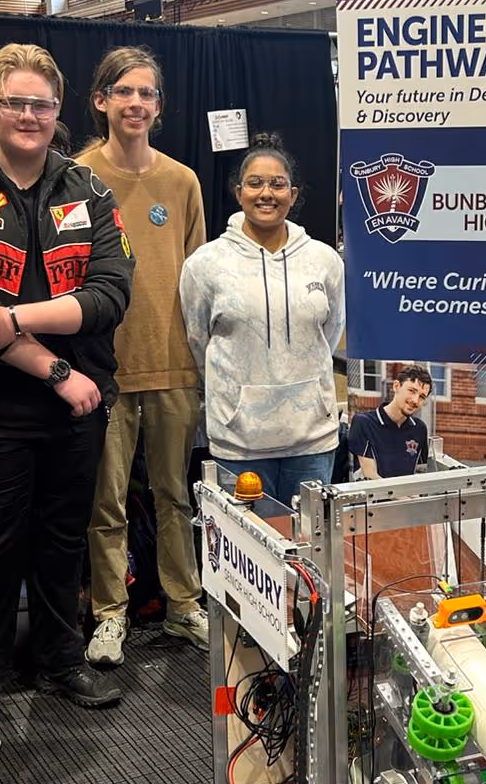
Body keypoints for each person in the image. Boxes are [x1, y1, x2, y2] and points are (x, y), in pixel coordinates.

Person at [0, 43, 133, 721]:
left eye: (41, 104)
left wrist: (6, 316)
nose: (28, 115)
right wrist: (41, 355)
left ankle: (59, 656)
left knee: (63, 534)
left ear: (57, 111)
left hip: (80, 398)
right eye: (14, 102)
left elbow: (109, 295)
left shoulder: (89, 188)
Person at [76, 47, 209, 667]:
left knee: (173, 496)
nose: (136, 103)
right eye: (123, 91)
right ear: (101, 100)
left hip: (173, 365)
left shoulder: (181, 182)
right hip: (102, 370)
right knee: (106, 505)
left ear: (158, 105)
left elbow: (198, 279)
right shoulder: (74, 177)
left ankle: (183, 605)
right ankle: (109, 614)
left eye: (147, 93)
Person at [181, 135, 344, 505]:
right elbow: (197, 342)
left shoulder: (324, 260)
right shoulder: (204, 265)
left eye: (277, 184)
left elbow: (330, 333)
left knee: (308, 551)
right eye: (254, 183)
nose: (266, 193)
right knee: (245, 557)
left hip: (312, 441)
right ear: (239, 193)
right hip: (239, 444)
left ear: (293, 193)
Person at [349, 367, 432, 479]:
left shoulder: (420, 429)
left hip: (410, 495)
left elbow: (420, 472)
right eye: (412, 391)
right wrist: (402, 497)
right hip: (376, 496)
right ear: (396, 386)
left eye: (422, 397)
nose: (415, 400)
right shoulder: (363, 422)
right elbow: (369, 475)